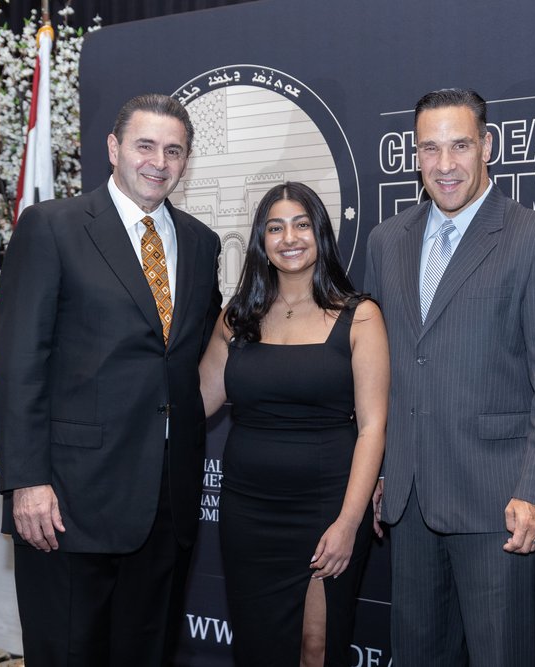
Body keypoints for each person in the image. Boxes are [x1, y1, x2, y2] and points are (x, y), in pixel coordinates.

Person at [0, 93, 222, 665]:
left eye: (174, 151)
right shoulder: (52, 228)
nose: (158, 162)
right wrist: (26, 480)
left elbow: (189, 356)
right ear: (114, 148)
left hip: (168, 502)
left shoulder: (201, 242)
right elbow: (20, 362)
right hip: (68, 500)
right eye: (145, 146)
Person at [364, 88, 535, 666]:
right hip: (409, 499)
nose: (444, 164)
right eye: (429, 148)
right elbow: (384, 368)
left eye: (459, 145)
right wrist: (385, 467)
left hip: (498, 504)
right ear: (414, 154)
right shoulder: (387, 241)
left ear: (487, 145)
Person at [199, 181, 388, 666]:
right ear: (261, 240)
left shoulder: (359, 316)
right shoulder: (237, 318)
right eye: (275, 227)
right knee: (258, 647)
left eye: (302, 224)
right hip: (248, 513)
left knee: (316, 647)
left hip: (326, 509)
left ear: (321, 233)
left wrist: (348, 523)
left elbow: (371, 428)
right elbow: (195, 401)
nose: (290, 237)